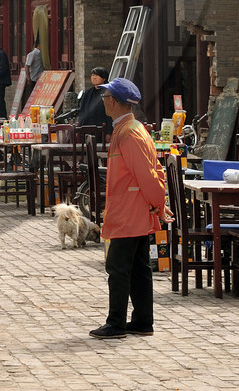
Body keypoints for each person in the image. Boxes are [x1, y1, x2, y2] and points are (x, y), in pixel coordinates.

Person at [90, 78, 168, 339]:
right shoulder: (135, 128)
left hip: (129, 210)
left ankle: (116, 323)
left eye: (105, 97)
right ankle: (143, 320)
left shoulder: (127, 132)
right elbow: (155, 170)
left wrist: (158, 204)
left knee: (119, 267)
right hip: (134, 209)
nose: (103, 101)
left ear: (112, 101)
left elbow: (147, 174)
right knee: (138, 266)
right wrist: (158, 203)